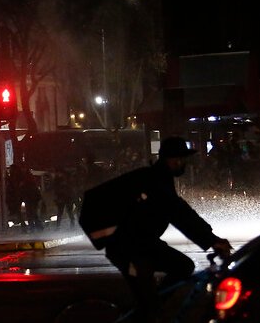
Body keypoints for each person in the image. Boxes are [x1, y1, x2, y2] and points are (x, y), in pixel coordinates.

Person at [98, 137, 232, 321]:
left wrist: (211, 238)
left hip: (140, 243)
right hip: (129, 248)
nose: (182, 163)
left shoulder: (160, 177)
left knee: (182, 267)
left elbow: (179, 210)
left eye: (183, 158)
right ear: (169, 159)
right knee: (153, 307)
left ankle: (149, 307)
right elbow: (179, 214)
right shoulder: (157, 181)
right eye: (179, 158)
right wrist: (212, 240)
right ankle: (148, 311)